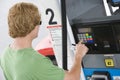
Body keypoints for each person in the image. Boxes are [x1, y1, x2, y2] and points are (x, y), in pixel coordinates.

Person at [0, 2, 88, 80]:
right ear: (33, 26)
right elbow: (73, 78)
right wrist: (78, 56)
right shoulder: (36, 62)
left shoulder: (5, 54)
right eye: (39, 22)